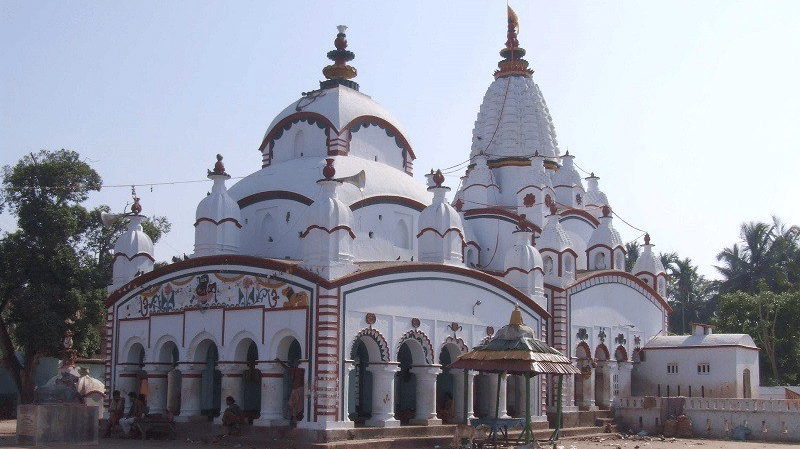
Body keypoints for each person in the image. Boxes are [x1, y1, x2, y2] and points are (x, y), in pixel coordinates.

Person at [275, 358, 304, 423]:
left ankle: (297, 418)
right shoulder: (292, 370)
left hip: (300, 389)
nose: (295, 364)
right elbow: (286, 367)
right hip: (294, 389)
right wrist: (280, 362)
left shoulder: (301, 370)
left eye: (296, 362)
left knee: (299, 406)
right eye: (295, 362)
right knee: (291, 404)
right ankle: (293, 417)